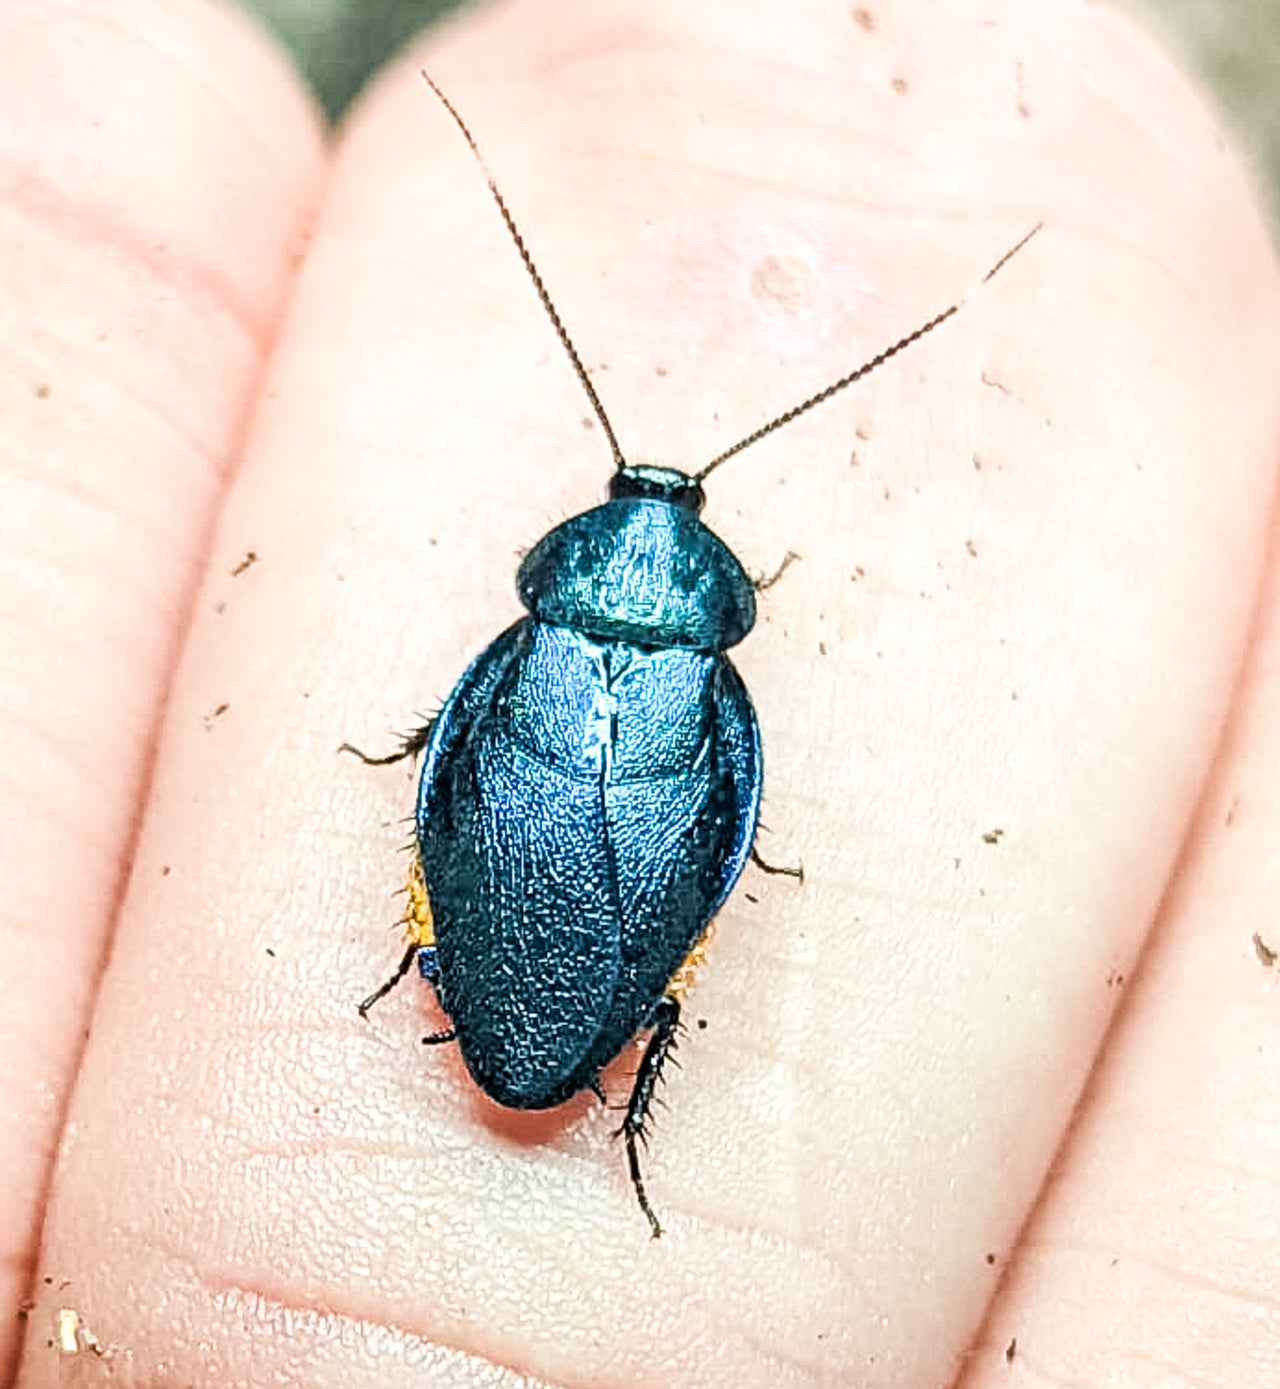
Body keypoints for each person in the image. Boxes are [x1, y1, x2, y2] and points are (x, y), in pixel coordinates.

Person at [3, 0, 1278, 1384]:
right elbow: (719, 837)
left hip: (502, 891)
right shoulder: (721, 710)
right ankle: (614, 1105)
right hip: (592, 961)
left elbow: (445, 773)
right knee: (630, 941)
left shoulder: (518, 650)